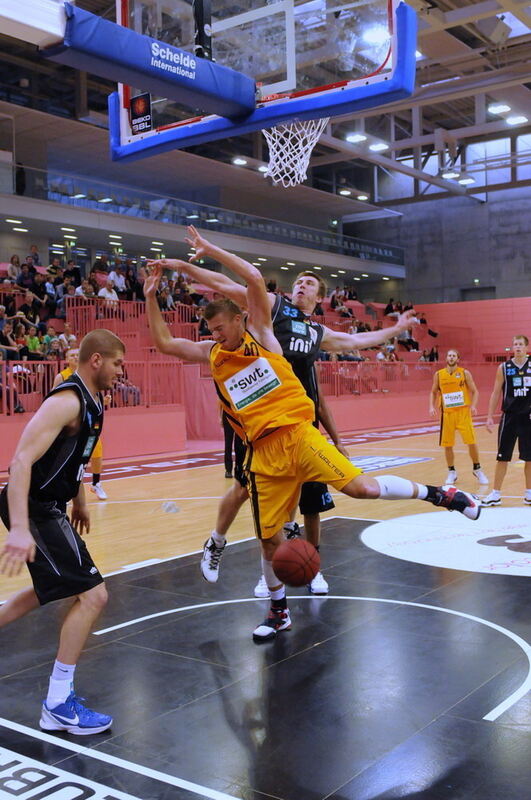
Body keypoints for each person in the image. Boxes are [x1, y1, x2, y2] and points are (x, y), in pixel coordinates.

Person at [145, 237, 480, 643]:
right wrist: (155, 291)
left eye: (220, 327)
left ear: (240, 320)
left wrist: (209, 248)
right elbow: (166, 342)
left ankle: (442, 495)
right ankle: (277, 610)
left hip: (300, 433)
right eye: (210, 330)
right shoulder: (218, 350)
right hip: (262, 450)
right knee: (267, 538)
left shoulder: (266, 332)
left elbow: (252, 279)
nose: (215, 335)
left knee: (360, 488)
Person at [152, 229, 420, 597]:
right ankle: (220, 543)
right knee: (245, 488)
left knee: (309, 500)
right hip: (259, 419)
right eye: (299, 281)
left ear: (320, 296)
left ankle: (307, 565)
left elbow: (358, 341)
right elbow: (230, 285)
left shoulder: (317, 331)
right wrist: (187, 266)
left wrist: (397, 329)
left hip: (298, 420)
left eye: (309, 283)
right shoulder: (274, 309)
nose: (301, 285)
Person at [0, 329, 124, 732]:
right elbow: (20, 462)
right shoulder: (67, 400)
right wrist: (20, 528)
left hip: (50, 506)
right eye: (117, 363)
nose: (121, 371)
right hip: (33, 508)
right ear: (96, 360)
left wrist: (81, 500)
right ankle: (57, 702)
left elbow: (77, 459)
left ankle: (58, 701)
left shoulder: (94, 403)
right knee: (93, 596)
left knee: (48, 588)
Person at [53, 349, 109, 501]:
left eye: (78, 355)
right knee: (70, 458)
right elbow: (54, 398)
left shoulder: (87, 376)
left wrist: (103, 402)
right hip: (71, 425)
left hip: (89, 425)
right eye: (72, 355)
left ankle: (96, 484)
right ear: (66, 359)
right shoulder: (62, 377)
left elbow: (93, 399)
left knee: (97, 454)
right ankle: (66, 488)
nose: (75, 357)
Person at [483, 334, 531, 506]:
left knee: (529, 458)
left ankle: (529, 493)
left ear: (526, 347)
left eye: (520, 344)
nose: (517, 347)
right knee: (502, 457)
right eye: (514, 344)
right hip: (509, 417)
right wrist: (489, 416)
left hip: (528, 417)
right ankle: (495, 493)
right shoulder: (504, 367)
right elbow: (496, 393)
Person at [429, 349, 488, 486]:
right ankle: (451, 472)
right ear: (446, 358)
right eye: (449, 355)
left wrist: (473, 406)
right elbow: (432, 392)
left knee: (471, 442)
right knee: (448, 445)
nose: (451, 357)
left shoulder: (464, 373)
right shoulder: (439, 375)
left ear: (458, 358)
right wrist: (431, 407)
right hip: (447, 414)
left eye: (453, 355)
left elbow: (475, 391)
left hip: (463, 413)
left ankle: (477, 468)